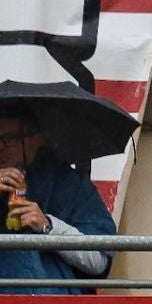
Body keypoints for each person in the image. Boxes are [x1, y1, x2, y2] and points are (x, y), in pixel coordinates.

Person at [0, 106, 116, 294]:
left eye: (10, 139)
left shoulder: (71, 185)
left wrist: (48, 226)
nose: (0, 148)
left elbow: (99, 262)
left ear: (36, 139)